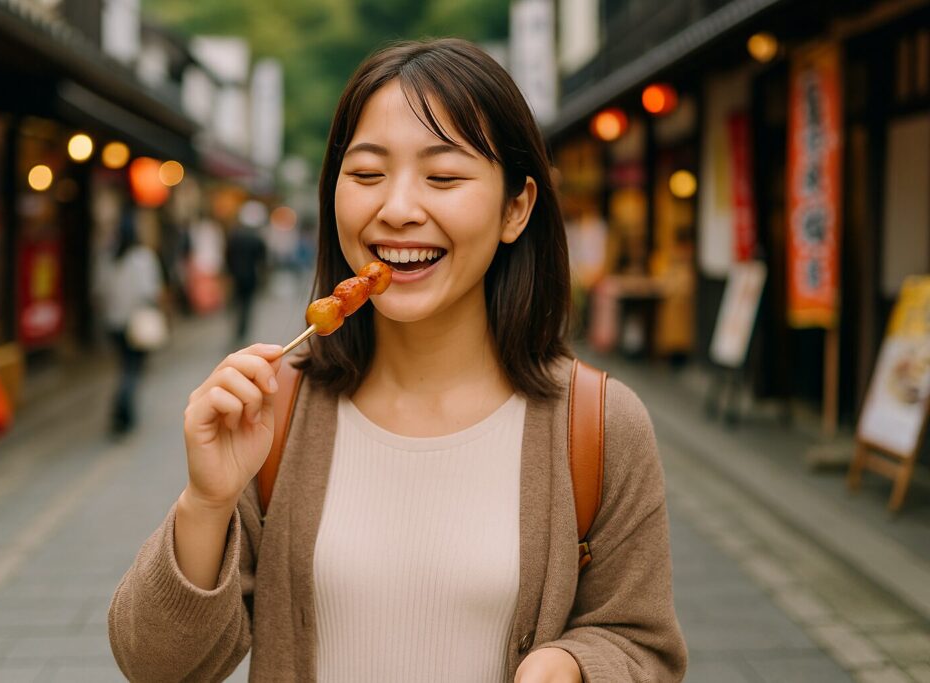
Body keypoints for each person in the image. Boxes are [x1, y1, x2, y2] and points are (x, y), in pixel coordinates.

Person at [109, 38, 687, 682]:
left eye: (443, 176)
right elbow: (155, 666)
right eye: (365, 175)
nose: (398, 210)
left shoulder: (601, 426)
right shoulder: (274, 412)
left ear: (516, 208)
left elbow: (643, 644)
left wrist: (576, 665)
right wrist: (207, 502)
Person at [99, 209, 162, 436]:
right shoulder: (143, 258)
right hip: (136, 322)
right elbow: (150, 291)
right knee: (133, 369)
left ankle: (121, 411)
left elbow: (100, 290)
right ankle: (123, 412)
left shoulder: (108, 257)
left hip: (114, 321)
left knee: (124, 366)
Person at [225, 217, 268, 348]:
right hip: (250, 276)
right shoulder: (256, 238)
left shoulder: (234, 237)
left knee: (237, 303)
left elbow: (227, 255)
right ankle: (243, 330)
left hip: (236, 276)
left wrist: (230, 271)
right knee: (247, 305)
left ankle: (237, 330)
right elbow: (262, 257)